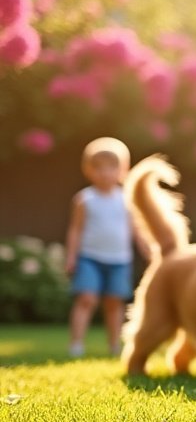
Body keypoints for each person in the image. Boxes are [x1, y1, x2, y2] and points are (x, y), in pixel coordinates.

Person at [65, 137, 143, 358]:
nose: (105, 173)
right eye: (98, 167)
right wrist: (71, 256)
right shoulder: (84, 199)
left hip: (120, 259)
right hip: (89, 257)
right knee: (86, 299)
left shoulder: (127, 199)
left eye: (112, 167)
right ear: (87, 169)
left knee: (114, 302)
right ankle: (76, 344)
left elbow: (135, 228)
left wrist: (146, 246)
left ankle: (114, 345)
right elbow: (75, 230)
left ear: (123, 170)